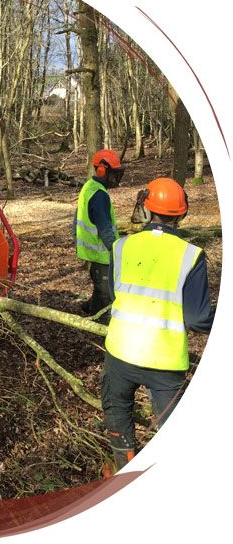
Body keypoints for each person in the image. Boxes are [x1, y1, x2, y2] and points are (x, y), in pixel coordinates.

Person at [102, 177, 214, 471]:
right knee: (172, 431)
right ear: (182, 213)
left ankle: (124, 467)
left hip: (120, 353)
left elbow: (115, 293)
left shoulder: (121, 246)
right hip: (165, 363)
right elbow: (200, 319)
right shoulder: (191, 256)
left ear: (146, 209)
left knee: (118, 411)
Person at [74, 149, 124, 319]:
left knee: (100, 287)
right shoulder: (100, 195)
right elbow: (104, 228)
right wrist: (116, 250)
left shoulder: (89, 187)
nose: (116, 178)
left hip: (92, 252)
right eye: (114, 173)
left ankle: (88, 307)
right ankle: (100, 324)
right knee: (105, 292)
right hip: (101, 254)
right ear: (103, 171)